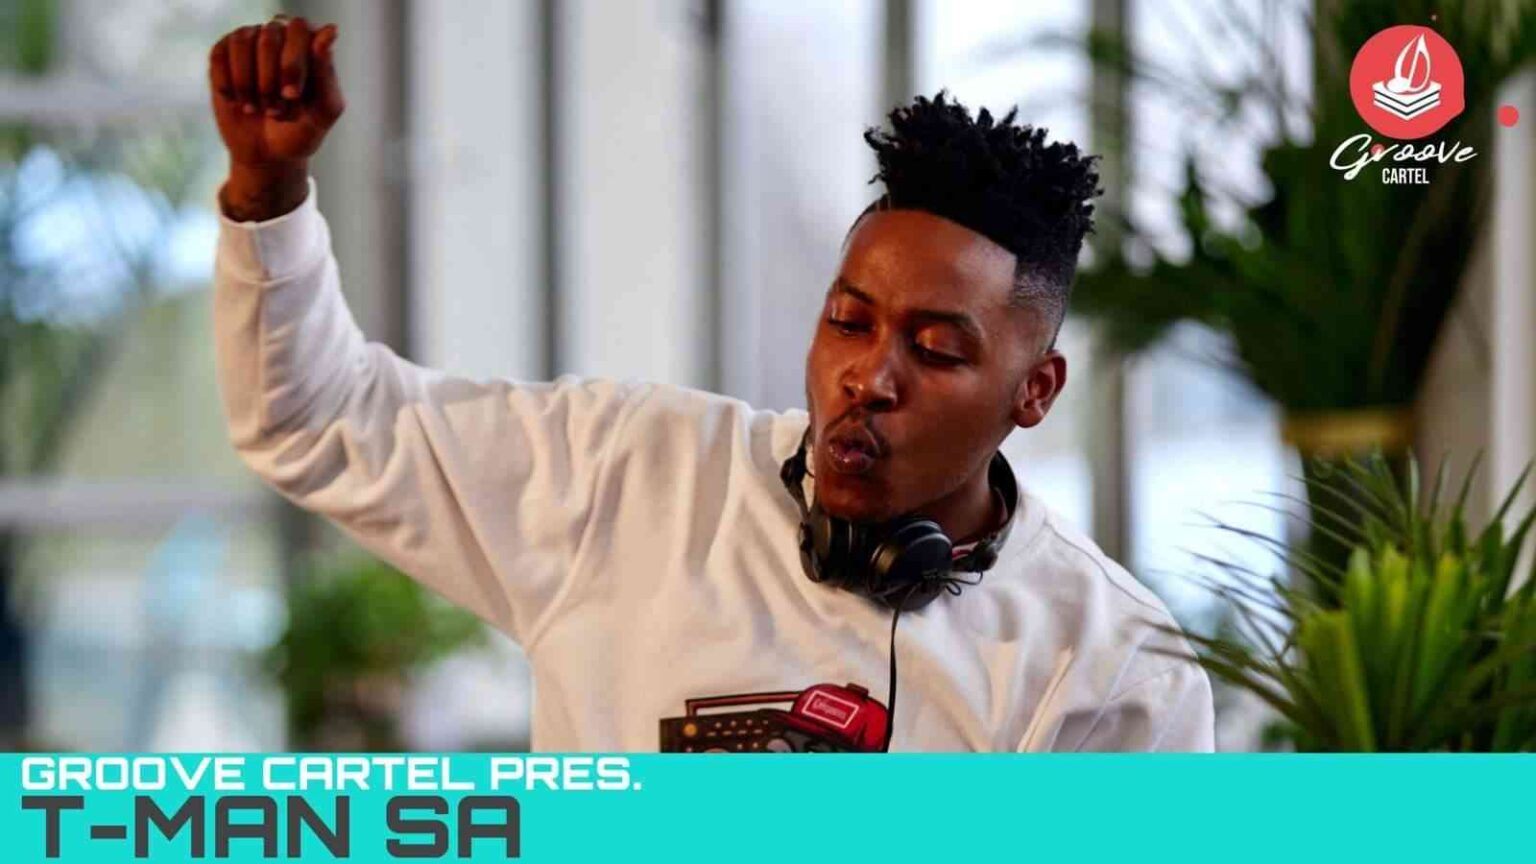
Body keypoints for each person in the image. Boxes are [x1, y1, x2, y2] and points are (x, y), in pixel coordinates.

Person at [209, 15, 1214, 752]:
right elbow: (319, 422)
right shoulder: (626, 477)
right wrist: (267, 192)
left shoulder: (1114, 666)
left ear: (1035, 392)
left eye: (937, 349)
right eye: (849, 321)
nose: (870, 377)